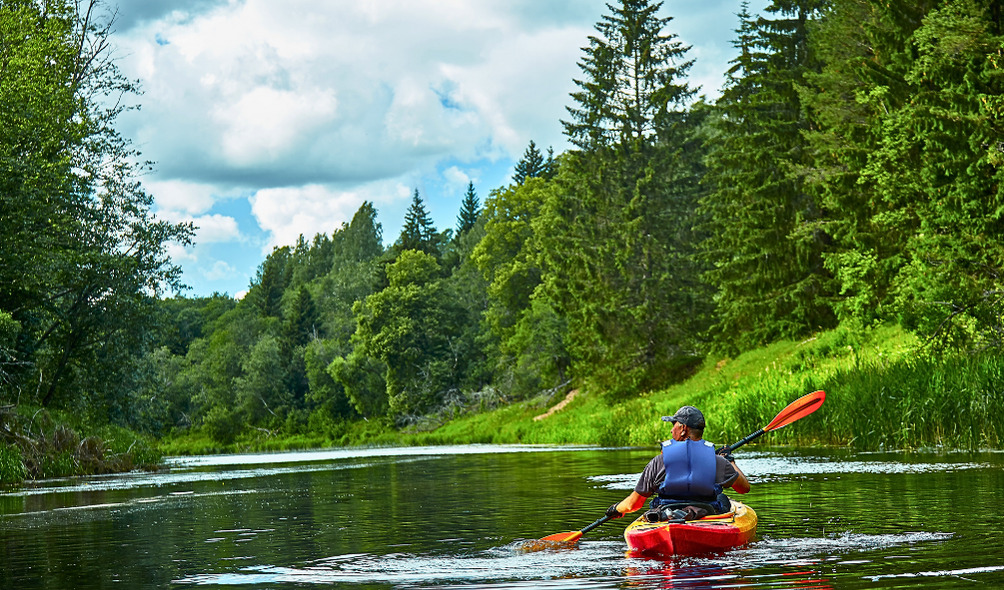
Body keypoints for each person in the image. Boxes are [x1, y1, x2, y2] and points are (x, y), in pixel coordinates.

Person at [605, 405, 750, 520]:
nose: (670, 430)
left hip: (666, 515)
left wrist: (616, 508)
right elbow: (744, 488)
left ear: (683, 428)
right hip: (706, 514)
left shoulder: (658, 462)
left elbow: (633, 504)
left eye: (673, 424)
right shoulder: (718, 461)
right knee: (722, 498)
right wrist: (729, 461)